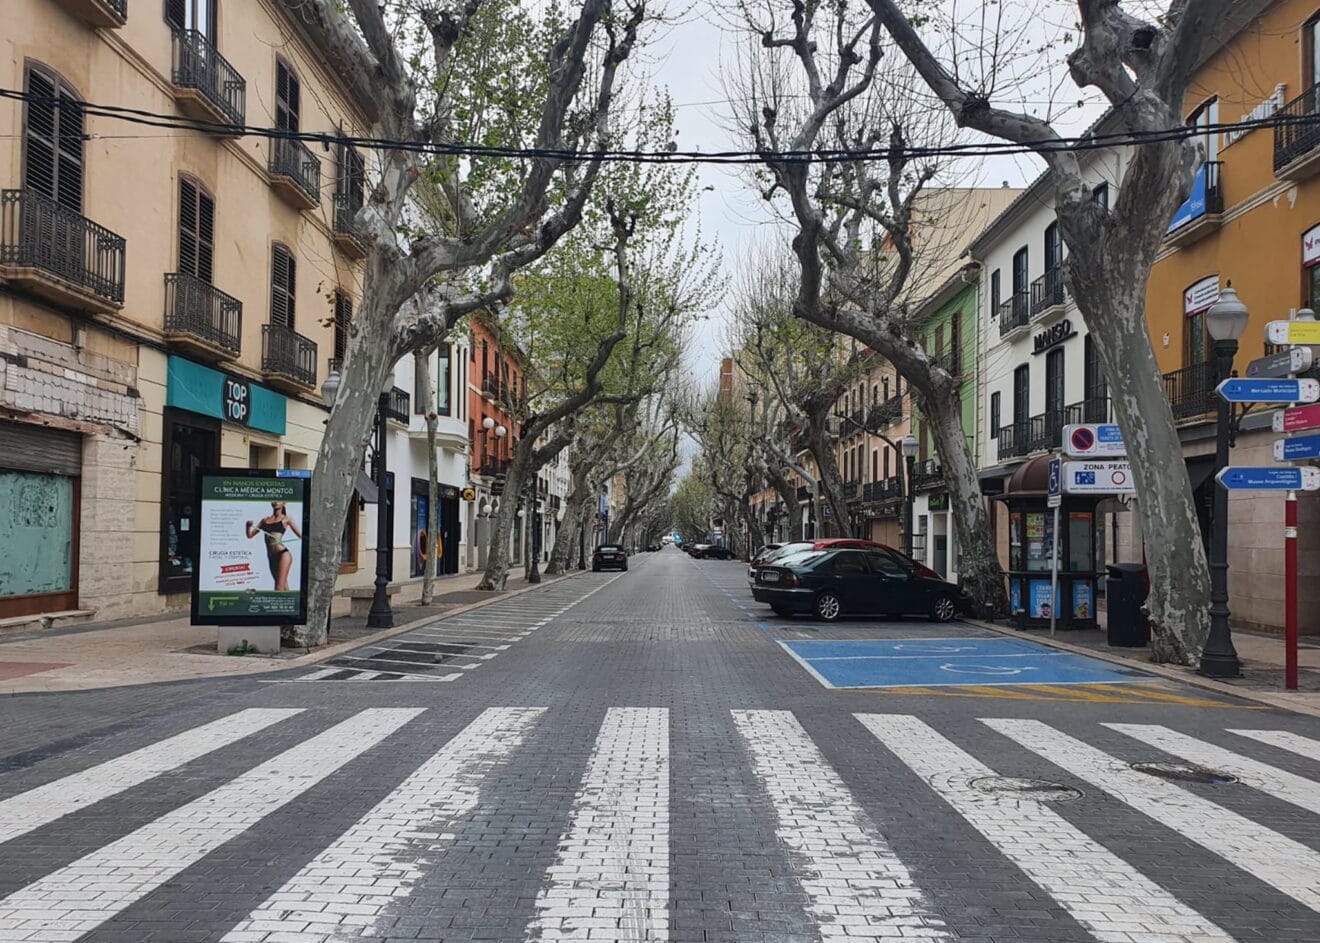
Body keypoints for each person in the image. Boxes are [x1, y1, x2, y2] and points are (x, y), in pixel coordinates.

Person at [246, 502, 302, 590]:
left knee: (278, 587)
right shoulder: (264, 520)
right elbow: (250, 535)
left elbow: (302, 535)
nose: (275, 502)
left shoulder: (286, 519)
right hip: (271, 557)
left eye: (279, 500)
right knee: (284, 587)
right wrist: (248, 526)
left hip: (283, 554)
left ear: (284, 503)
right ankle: (289, 603)